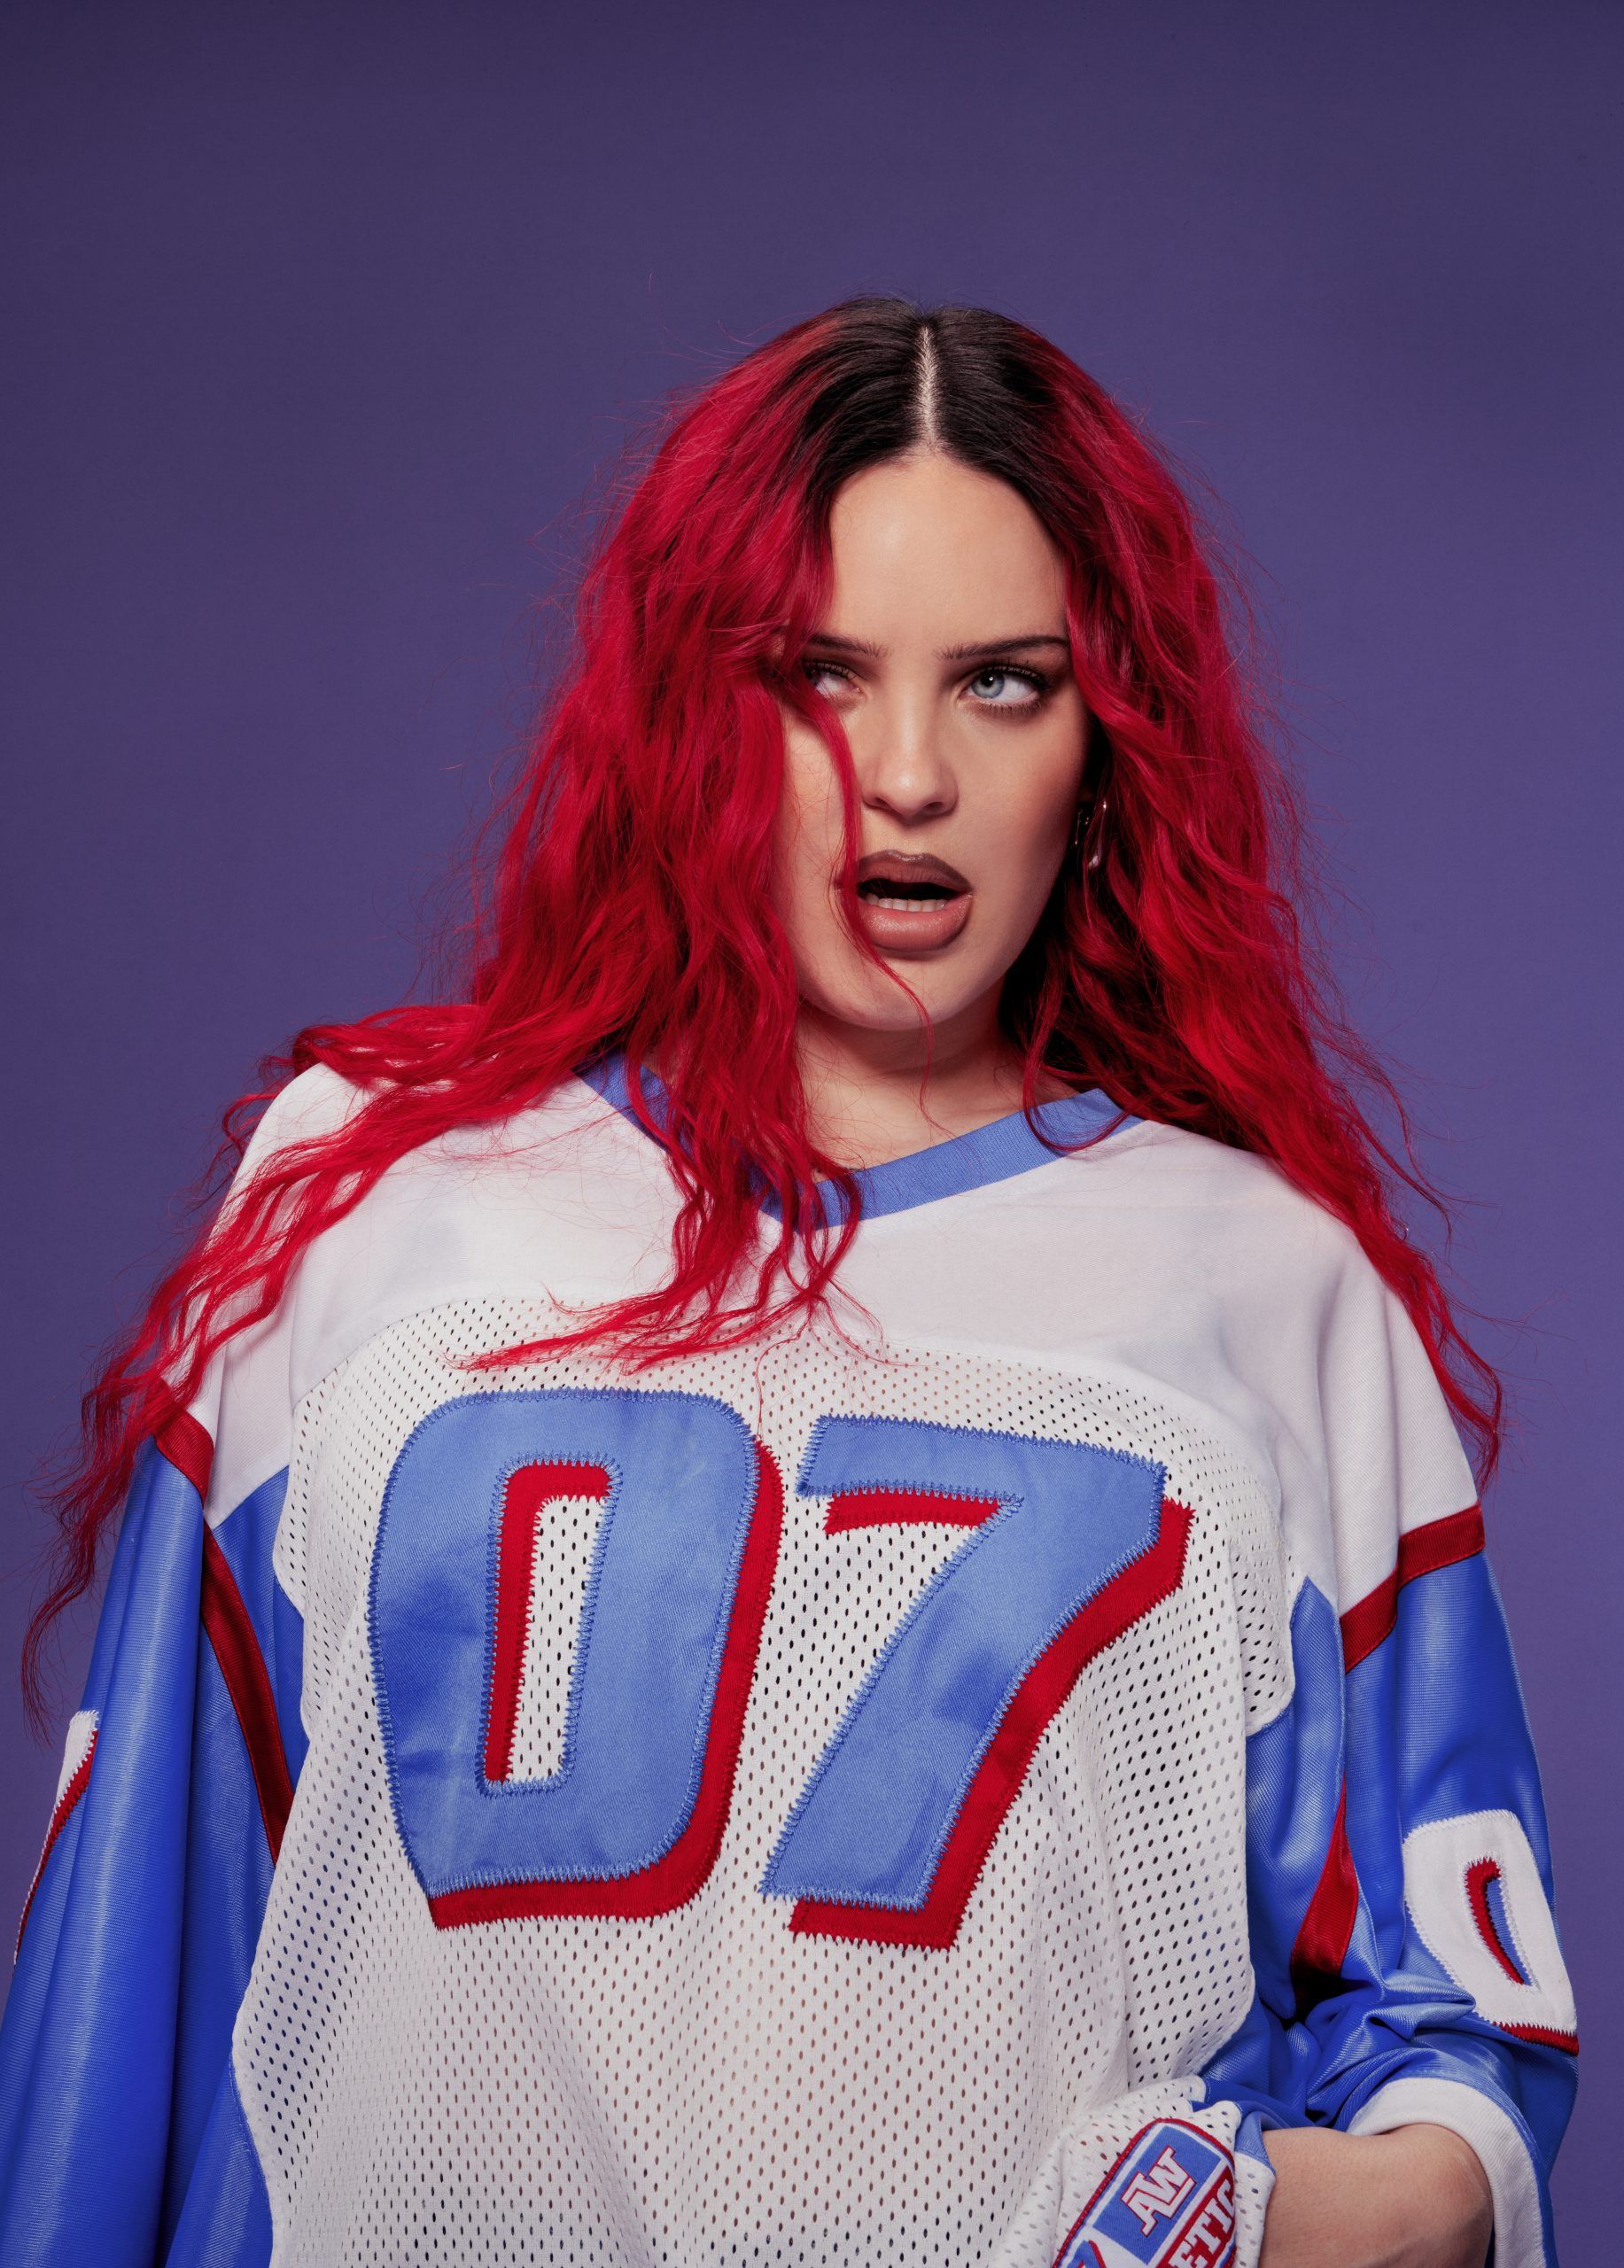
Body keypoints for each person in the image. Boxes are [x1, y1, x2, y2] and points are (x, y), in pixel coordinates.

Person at [0, 297, 1575, 2268]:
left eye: (1002, 683)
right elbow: (126, 1990)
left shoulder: (1270, 1296)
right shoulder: (372, 1198)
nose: (905, 772)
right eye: (819, 673)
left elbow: (1458, 2061)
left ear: (1103, 752)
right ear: (695, 715)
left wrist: (1239, 2215)